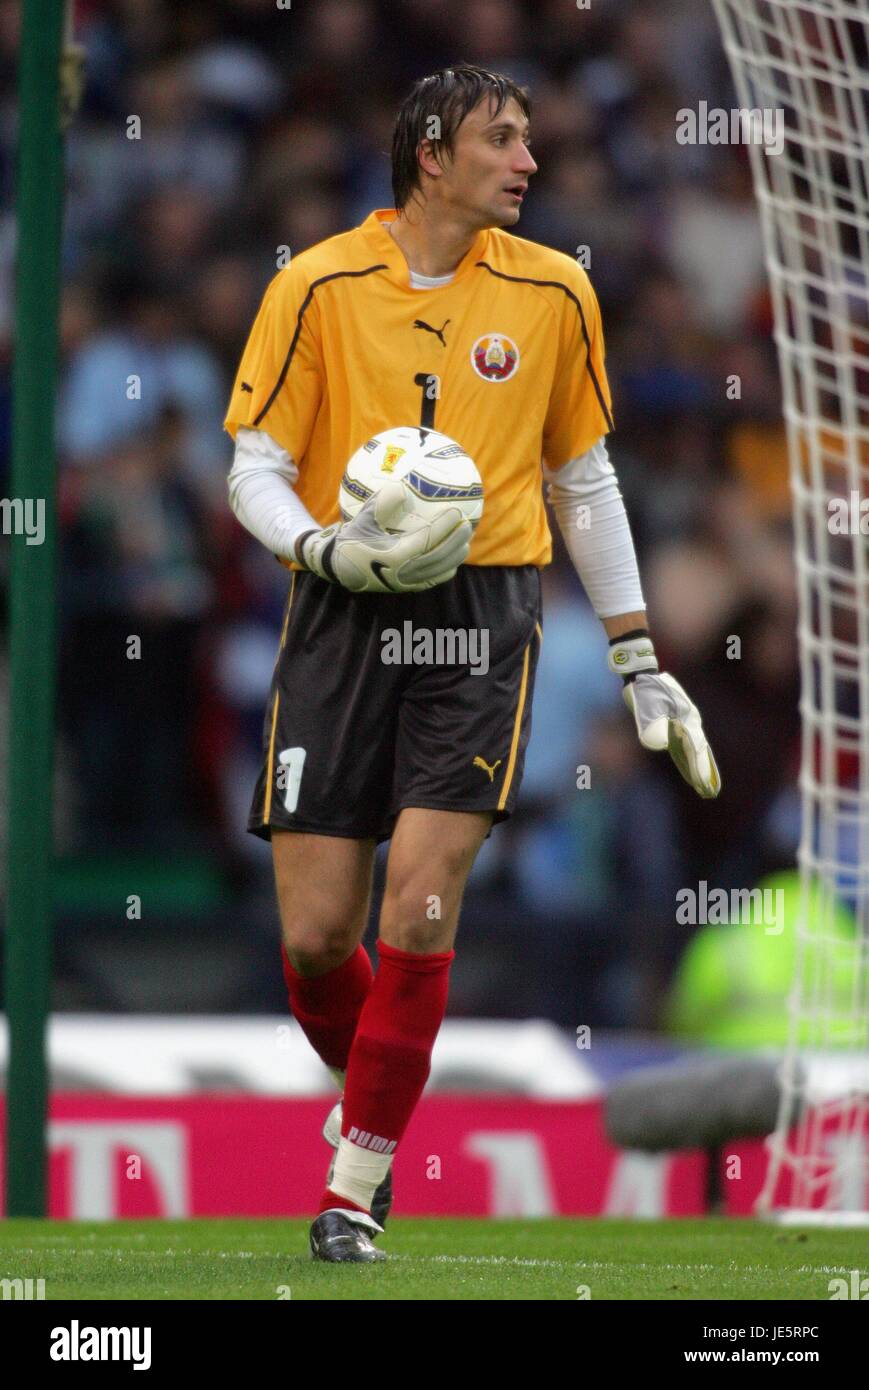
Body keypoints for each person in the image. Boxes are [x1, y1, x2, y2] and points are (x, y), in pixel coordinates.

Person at [223, 64, 720, 1263]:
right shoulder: (316, 283)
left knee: (422, 904)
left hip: (484, 613)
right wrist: (323, 548)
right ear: (432, 152)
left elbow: (581, 479)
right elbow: (252, 464)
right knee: (315, 940)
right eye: (504, 139)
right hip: (338, 605)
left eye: (531, 140)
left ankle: (353, 1188)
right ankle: (380, 1096)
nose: (530, 162)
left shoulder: (556, 292)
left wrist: (636, 650)